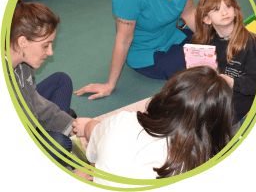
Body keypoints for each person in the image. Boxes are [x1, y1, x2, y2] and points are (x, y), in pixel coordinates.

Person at [71, 66, 234, 187]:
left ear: (167, 95)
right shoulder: (202, 163)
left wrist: (89, 126)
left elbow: (93, 149)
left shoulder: (123, 120)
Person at [6, 0, 76, 164]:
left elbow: (34, 101)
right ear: (22, 42)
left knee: (61, 81)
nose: (50, 52)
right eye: (45, 45)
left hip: (27, 115)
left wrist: (71, 127)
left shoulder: (23, 63)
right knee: (60, 144)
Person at [190, 0, 256, 125]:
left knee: (216, 124)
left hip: (239, 98)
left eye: (228, 6)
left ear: (235, 11)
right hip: (213, 94)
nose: (224, 12)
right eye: (216, 10)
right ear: (206, 19)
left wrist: (232, 82)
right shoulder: (205, 44)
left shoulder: (252, 43)